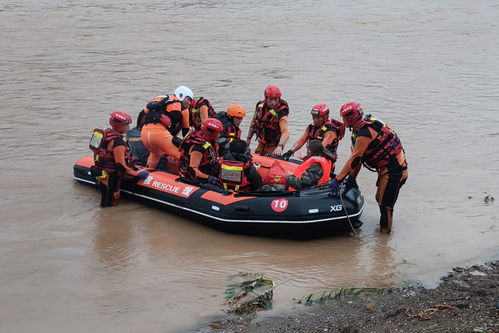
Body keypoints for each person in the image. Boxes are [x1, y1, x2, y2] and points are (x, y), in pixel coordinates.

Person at [330, 102, 408, 234]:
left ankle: (384, 240)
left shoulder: (364, 133)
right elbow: (358, 159)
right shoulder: (361, 128)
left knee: (385, 205)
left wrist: (338, 179)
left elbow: (354, 158)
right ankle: (384, 233)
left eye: (344, 118)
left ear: (350, 118)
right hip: (387, 168)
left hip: (395, 169)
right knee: (379, 198)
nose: (342, 121)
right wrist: (352, 178)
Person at [89, 111, 147, 207]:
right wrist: (137, 174)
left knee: (106, 198)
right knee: (112, 200)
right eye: (126, 125)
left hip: (101, 174)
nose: (128, 127)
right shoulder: (118, 141)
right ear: (119, 126)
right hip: (111, 177)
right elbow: (120, 165)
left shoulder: (106, 134)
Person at [282, 104, 345, 172]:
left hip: (325, 164)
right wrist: (290, 151)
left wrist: (305, 157)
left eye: (318, 117)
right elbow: (302, 140)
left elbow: (321, 149)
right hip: (311, 160)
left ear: (325, 117)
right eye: (313, 117)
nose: (315, 119)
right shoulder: (311, 128)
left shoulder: (330, 131)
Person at [139, 95, 182, 169]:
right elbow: (173, 122)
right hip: (158, 133)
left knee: (155, 154)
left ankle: (148, 171)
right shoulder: (177, 106)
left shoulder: (151, 107)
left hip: (144, 132)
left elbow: (141, 115)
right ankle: (190, 175)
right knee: (180, 154)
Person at [246, 85, 289, 155]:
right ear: (266, 98)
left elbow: (285, 132)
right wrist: (248, 139)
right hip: (262, 142)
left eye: (276, 99)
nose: (273, 102)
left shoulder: (281, 112)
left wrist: (280, 146)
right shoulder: (260, 106)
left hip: (274, 145)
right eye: (271, 99)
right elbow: (253, 123)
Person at [179, 118, 223, 183]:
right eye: (218, 133)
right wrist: (208, 178)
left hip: (209, 170)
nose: (219, 135)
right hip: (196, 178)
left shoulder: (210, 142)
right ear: (210, 133)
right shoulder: (198, 148)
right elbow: (193, 169)